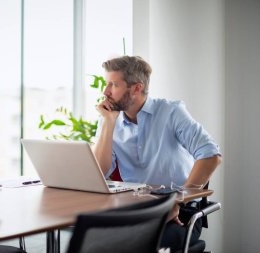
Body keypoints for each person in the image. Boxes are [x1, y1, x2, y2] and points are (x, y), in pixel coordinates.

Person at [93, 55, 221, 251]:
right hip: (135, 208)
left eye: (113, 85)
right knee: (93, 241)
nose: (105, 91)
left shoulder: (171, 111)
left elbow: (210, 155)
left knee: (139, 245)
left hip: (178, 212)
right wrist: (109, 123)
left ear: (136, 88)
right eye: (106, 84)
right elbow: (99, 171)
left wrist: (177, 200)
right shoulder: (108, 118)